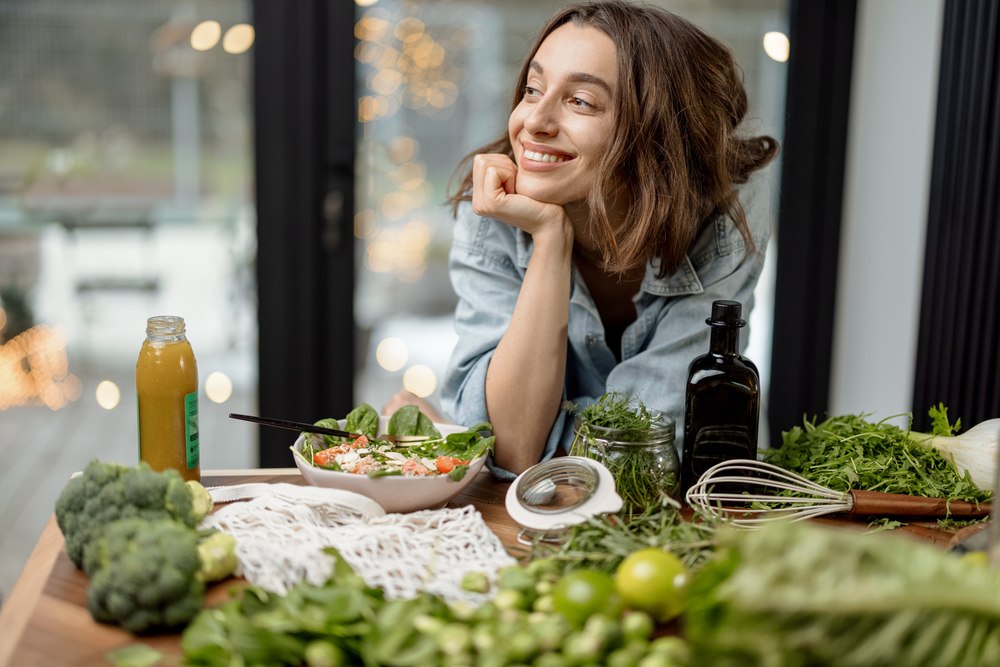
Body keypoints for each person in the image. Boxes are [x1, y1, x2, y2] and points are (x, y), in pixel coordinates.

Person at [384, 0, 778, 480]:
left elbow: (649, 456)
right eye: (533, 89)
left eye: (581, 102)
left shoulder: (724, 217)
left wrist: (471, 433)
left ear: (657, 135)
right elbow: (513, 447)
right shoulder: (493, 203)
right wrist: (550, 239)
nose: (535, 121)